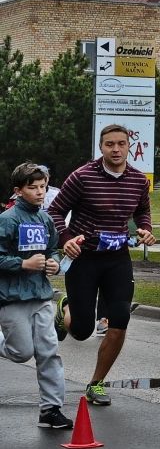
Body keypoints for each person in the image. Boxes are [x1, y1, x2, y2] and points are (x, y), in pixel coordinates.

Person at [49, 124, 157, 406]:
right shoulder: (83, 176)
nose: (117, 149)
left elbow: (143, 210)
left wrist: (144, 228)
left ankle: (96, 383)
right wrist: (67, 239)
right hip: (84, 257)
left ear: (129, 146)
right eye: (110, 144)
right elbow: (56, 211)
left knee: (120, 318)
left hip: (117, 257)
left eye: (122, 144)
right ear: (102, 147)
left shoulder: (137, 180)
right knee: (83, 331)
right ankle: (66, 308)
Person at [0, 162, 73, 429]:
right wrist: (22, 264)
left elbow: (52, 248)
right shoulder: (6, 220)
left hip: (41, 296)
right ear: (18, 191)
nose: (40, 192)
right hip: (11, 298)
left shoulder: (45, 219)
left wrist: (53, 262)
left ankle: (51, 410)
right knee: (21, 353)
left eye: (43, 187)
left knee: (49, 351)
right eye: (33, 188)